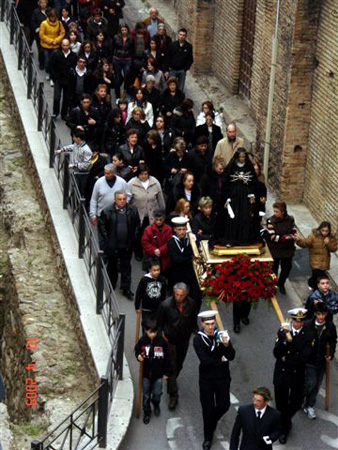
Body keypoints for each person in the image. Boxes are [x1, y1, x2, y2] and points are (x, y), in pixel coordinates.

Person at [194, 310, 235, 450]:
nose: (211, 327)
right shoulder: (198, 339)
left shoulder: (222, 336)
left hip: (223, 377)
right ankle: (208, 437)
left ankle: (212, 421)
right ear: (202, 324)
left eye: (213, 323)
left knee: (224, 405)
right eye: (208, 324)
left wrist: (226, 344)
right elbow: (205, 361)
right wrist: (221, 359)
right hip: (207, 378)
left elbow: (232, 355)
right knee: (207, 408)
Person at [273, 307, 315, 444]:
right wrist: (285, 341)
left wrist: (288, 357)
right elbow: (276, 353)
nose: (298, 324)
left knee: (296, 402)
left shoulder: (309, 335)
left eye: (301, 321)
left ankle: (283, 421)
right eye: (296, 321)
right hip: (282, 373)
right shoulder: (283, 332)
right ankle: (284, 429)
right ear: (291, 320)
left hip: (297, 374)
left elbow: (305, 357)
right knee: (281, 403)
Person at [157, 282, 198, 410]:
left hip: (184, 340)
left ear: (186, 295)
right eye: (177, 295)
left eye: (181, 295)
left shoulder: (191, 304)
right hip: (169, 340)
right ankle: (173, 395)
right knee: (172, 367)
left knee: (179, 365)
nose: (179, 297)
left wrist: (194, 330)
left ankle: (171, 379)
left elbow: (193, 319)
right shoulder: (165, 305)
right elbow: (159, 324)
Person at [211, 149, 259, 247]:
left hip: (245, 196)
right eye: (240, 157)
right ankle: (231, 238)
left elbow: (253, 181)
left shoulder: (248, 166)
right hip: (234, 195)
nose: (242, 159)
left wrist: (251, 194)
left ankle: (243, 238)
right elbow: (226, 181)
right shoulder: (232, 165)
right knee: (232, 217)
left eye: (243, 157)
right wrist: (228, 196)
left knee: (244, 216)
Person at [98, 191, 140, 299]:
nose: (122, 201)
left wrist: (133, 237)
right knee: (112, 266)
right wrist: (108, 240)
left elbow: (137, 225)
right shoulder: (107, 211)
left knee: (126, 267)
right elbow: (102, 227)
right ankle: (111, 284)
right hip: (113, 245)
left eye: (124, 199)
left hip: (127, 244)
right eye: (119, 199)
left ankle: (126, 288)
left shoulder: (132, 210)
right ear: (115, 200)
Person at [303, 303, 337, 420]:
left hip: (322, 361)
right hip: (310, 361)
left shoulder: (330, 327)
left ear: (326, 314)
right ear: (314, 314)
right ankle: (300, 395)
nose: (321, 317)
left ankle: (309, 405)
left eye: (323, 314)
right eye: (318, 314)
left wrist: (331, 355)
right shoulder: (307, 325)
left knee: (317, 385)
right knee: (310, 383)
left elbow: (333, 342)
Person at [135, 320, 172, 424]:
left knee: (157, 393)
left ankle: (156, 404)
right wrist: (138, 356)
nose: (153, 334)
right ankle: (147, 412)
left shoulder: (162, 342)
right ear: (146, 331)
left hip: (158, 374)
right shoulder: (142, 341)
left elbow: (167, 358)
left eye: (154, 332)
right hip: (146, 374)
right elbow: (137, 350)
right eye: (150, 332)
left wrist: (167, 372)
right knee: (146, 394)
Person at [128, 164, 166, 259]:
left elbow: (160, 199)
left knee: (151, 235)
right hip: (138, 215)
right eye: (141, 174)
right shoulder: (131, 184)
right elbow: (127, 200)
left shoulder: (155, 182)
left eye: (145, 174)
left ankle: (150, 252)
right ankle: (138, 252)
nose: (144, 176)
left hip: (152, 215)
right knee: (138, 235)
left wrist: (162, 211)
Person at [294, 221, 338, 290]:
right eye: (323, 230)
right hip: (315, 261)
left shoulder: (331, 238)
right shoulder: (314, 236)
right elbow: (305, 243)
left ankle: (311, 283)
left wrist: (328, 243)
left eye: (326, 231)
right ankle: (317, 290)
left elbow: (333, 249)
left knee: (315, 277)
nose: (324, 232)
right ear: (320, 229)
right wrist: (299, 240)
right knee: (320, 277)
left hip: (324, 262)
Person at [167, 217, 201, 304]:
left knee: (195, 298)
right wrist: (190, 258)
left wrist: (196, 241)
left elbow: (197, 252)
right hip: (177, 275)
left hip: (190, 274)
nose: (182, 232)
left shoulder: (190, 240)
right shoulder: (171, 242)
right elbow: (176, 260)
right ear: (175, 229)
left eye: (184, 229)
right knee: (178, 300)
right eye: (179, 229)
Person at [266, 202, 296, 295]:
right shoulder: (270, 221)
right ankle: (273, 285)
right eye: (274, 211)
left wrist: (287, 237)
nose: (275, 213)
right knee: (273, 269)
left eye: (277, 211)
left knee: (287, 268)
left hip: (288, 249)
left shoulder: (290, 219)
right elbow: (272, 236)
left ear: (283, 212)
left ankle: (281, 283)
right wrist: (285, 238)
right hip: (275, 249)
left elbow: (294, 232)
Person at [54, 129, 92, 195]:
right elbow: (71, 147)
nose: (73, 138)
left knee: (79, 191)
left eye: (74, 137)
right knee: (74, 188)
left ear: (78, 138)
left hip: (82, 174)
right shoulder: (76, 144)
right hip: (75, 172)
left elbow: (87, 164)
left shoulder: (86, 150)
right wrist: (62, 150)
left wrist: (75, 165)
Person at [135, 258, 167, 328]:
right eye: (154, 270)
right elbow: (139, 294)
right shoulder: (144, 280)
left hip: (157, 309)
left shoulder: (162, 280)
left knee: (157, 327)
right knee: (146, 327)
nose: (157, 272)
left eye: (158, 270)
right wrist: (137, 306)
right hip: (146, 309)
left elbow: (163, 294)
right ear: (150, 270)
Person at [50, 38, 77, 119]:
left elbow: (74, 66)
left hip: (68, 79)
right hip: (59, 78)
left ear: (69, 46)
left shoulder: (73, 55)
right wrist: (54, 77)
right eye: (64, 45)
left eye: (67, 45)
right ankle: (55, 112)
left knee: (66, 97)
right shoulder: (56, 54)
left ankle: (64, 114)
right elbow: (52, 66)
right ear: (61, 45)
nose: (65, 47)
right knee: (57, 97)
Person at [141, 210, 173, 277]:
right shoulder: (148, 229)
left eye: (160, 220)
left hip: (164, 259)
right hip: (152, 258)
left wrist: (160, 250)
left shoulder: (168, 229)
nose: (158, 222)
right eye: (157, 219)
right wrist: (154, 250)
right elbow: (145, 242)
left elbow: (169, 243)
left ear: (163, 219)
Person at [39, 8, 66, 83]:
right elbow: (42, 35)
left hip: (56, 45)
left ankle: (52, 75)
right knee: (47, 60)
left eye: (54, 17)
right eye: (52, 17)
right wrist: (50, 41)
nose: (53, 18)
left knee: (54, 61)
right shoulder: (44, 23)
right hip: (46, 46)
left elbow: (62, 32)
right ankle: (48, 71)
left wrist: (57, 40)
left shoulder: (59, 23)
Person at [113, 23, 135, 101]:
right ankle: (117, 97)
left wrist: (131, 58)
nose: (124, 31)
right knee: (117, 78)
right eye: (122, 30)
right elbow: (113, 48)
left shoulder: (131, 38)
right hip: (117, 59)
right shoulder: (116, 37)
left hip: (127, 59)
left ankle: (126, 94)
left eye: (125, 30)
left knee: (128, 77)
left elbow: (133, 49)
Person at [167, 28, 194, 92]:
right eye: (180, 34)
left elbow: (190, 59)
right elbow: (168, 57)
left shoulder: (189, 46)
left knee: (180, 88)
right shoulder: (172, 45)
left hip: (182, 70)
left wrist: (185, 69)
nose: (181, 36)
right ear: (178, 35)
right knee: (171, 86)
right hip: (173, 69)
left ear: (186, 36)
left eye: (183, 35)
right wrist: (169, 67)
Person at [31, 0, 50, 70]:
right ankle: (41, 63)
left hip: (49, 33)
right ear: (39, 3)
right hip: (40, 34)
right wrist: (36, 28)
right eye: (42, 2)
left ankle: (47, 64)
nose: (43, 4)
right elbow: (33, 21)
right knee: (41, 50)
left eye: (45, 2)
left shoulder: (49, 10)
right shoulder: (36, 11)